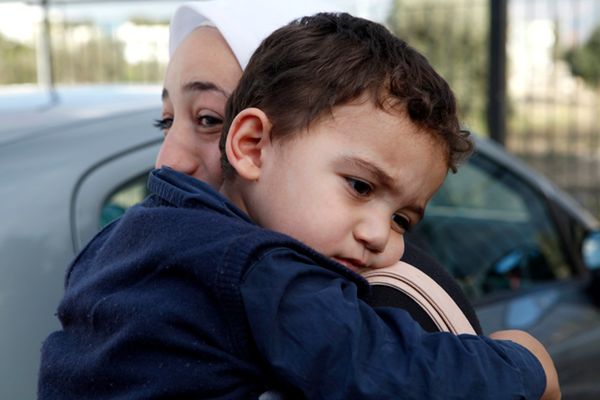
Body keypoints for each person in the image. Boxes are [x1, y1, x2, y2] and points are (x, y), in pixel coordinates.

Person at [38, 12, 559, 399]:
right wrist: (523, 366)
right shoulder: (261, 269)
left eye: (402, 219)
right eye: (359, 186)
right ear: (252, 145)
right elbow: (379, 368)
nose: (381, 236)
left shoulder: (120, 241)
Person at [155, 0, 482, 334]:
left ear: (252, 141)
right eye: (165, 121)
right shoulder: (164, 266)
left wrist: (520, 366)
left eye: (210, 119)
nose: (167, 162)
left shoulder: (381, 305)